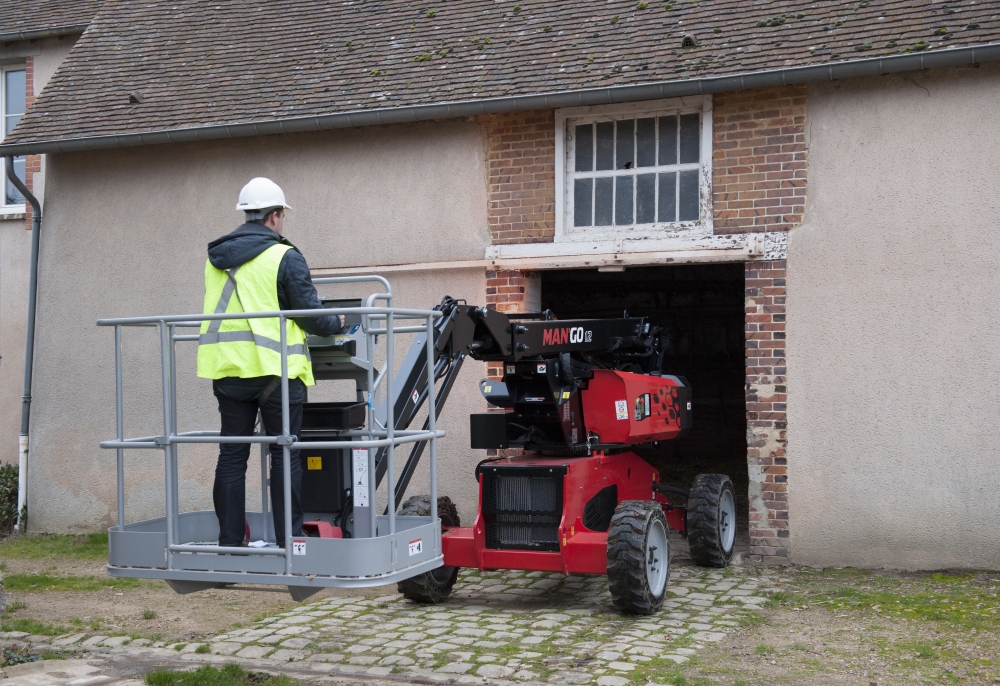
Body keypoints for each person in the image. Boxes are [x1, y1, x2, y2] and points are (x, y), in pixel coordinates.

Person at [197, 177, 345, 548]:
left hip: (229, 370)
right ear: (275, 216)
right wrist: (338, 322)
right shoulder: (284, 255)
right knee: (284, 455)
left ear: (247, 214)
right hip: (277, 373)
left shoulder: (216, 259)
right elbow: (311, 317)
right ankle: (288, 543)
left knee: (232, 457)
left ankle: (230, 543)